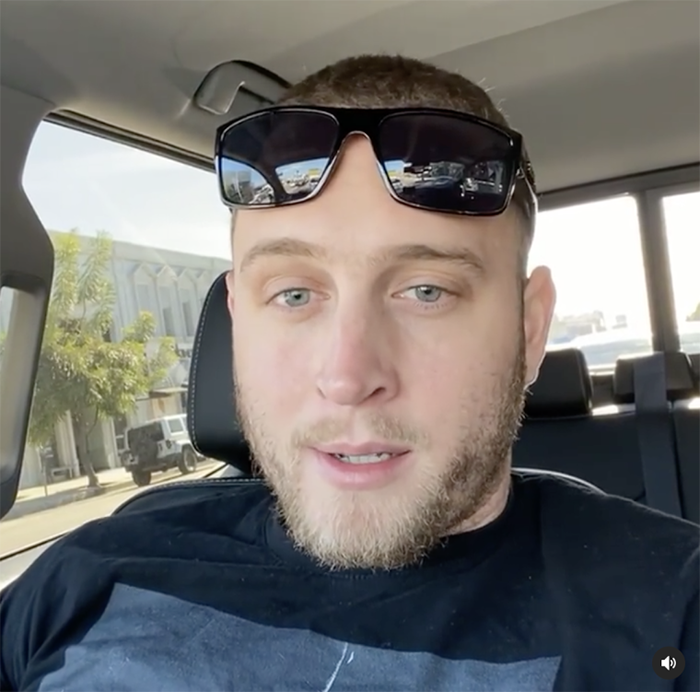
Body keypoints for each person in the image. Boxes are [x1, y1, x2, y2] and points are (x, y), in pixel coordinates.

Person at [0, 54, 699, 692]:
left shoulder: (671, 607)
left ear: (529, 328)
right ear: (239, 320)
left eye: (426, 290)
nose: (347, 376)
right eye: (294, 295)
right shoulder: (88, 573)